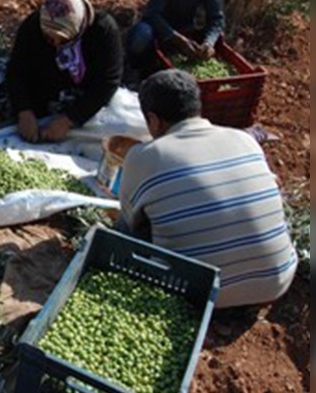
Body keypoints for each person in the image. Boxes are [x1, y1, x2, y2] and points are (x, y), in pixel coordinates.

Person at [118, 70, 296, 308]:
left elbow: (130, 222)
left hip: (197, 296)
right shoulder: (245, 140)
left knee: (126, 227)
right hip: (275, 283)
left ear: (153, 120)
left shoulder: (146, 156)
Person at [6, 0, 123, 143]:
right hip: (44, 88)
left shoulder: (102, 30)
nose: (56, 45)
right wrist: (24, 111)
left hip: (85, 94)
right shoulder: (34, 26)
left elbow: (108, 81)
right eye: (49, 38)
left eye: (63, 39)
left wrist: (70, 120)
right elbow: (16, 70)